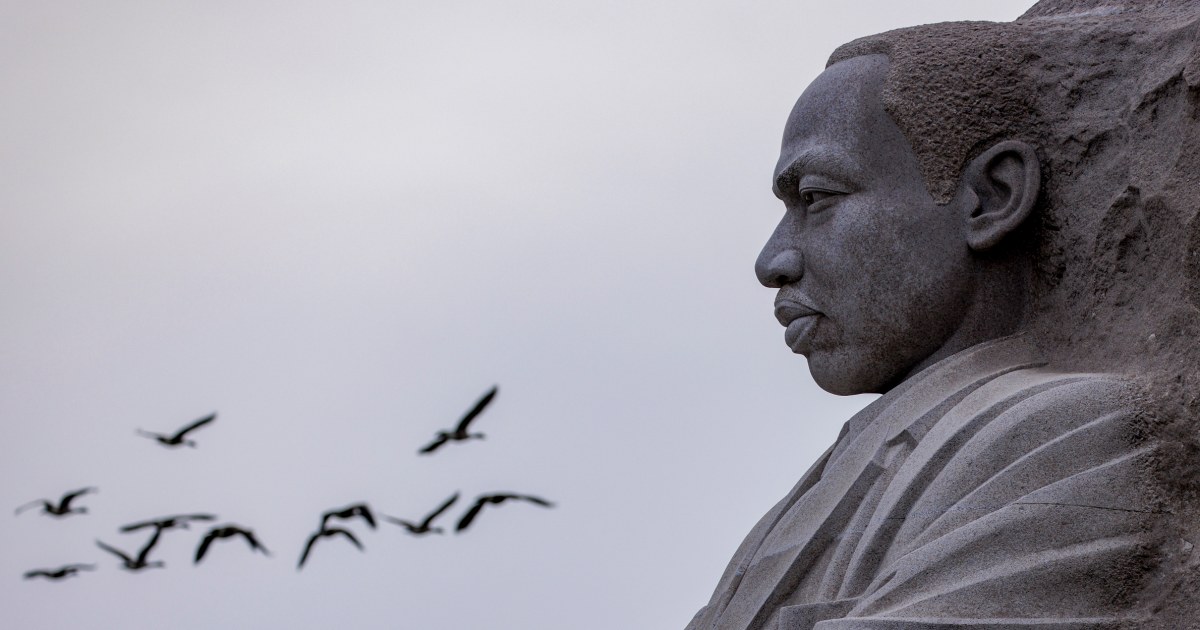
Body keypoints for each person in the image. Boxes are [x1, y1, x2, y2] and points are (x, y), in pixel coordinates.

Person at [685, 3, 1199, 628]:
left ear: (990, 197)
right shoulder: (801, 504)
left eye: (817, 198)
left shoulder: (1061, 435)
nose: (773, 261)